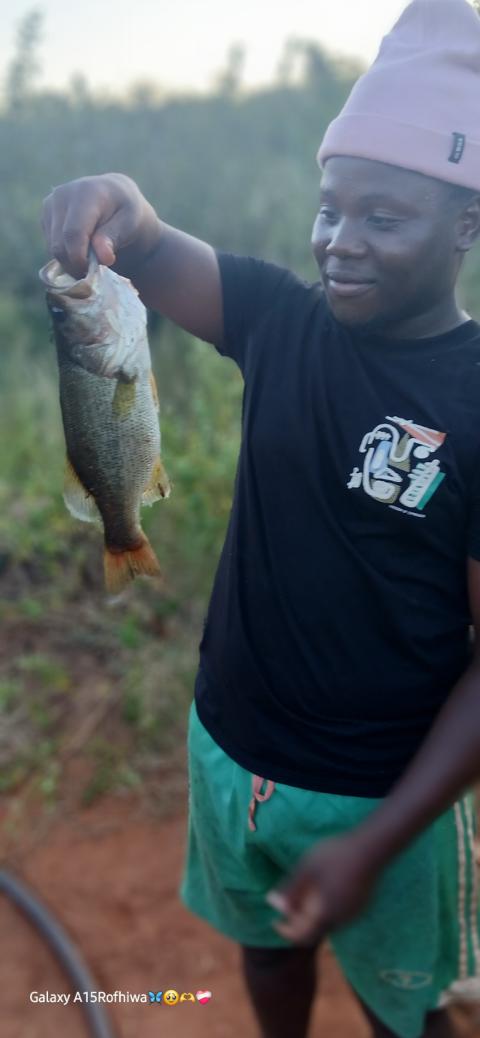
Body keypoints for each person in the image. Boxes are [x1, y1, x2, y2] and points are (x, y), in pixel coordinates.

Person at [41, 0, 480, 1034]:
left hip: (385, 796)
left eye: (384, 218)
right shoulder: (282, 321)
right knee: (268, 955)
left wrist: (378, 841)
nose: (341, 243)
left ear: (468, 223)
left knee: (406, 1010)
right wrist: (114, 203)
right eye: (331, 209)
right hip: (230, 746)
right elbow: (149, 245)